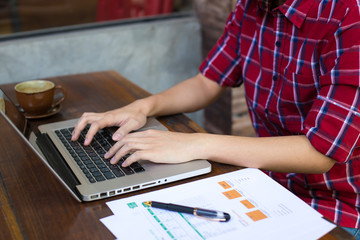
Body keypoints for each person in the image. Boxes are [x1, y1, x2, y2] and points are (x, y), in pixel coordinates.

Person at [72, 0, 360, 237]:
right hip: (270, 186)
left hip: (339, 207)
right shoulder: (253, 6)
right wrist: (143, 107)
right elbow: (207, 82)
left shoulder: (350, 18)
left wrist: (194, 144)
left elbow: (320, 151)